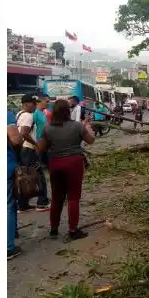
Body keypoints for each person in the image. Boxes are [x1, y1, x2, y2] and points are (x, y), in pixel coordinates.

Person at [38, 98, 96, 241]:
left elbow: (41, 148)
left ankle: (53, 229)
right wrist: (87, 127)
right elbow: (90, 140)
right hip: (74, 163)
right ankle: (72, 230)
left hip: (55, 163)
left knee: (57, 198)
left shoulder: (47, 127)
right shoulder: (77, 126)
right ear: (68, 111)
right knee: (73, 198)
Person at [16, 94, 48, 211]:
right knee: (39, 176)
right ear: (26, 104)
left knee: (24, 176)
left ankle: (23, 204)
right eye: (33, 103)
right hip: (28, 150)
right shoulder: (28, 116)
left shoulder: (19, 114)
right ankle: (42, 203)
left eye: (36, 103)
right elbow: (24, 133)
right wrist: (35, 144)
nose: (35, 105)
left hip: (23, 150)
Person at [7, 110, 24, 259]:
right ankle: (8, 247)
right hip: (6, 165)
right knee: (8, 206)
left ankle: (12, 233)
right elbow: (16, 140)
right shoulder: (5, 114)